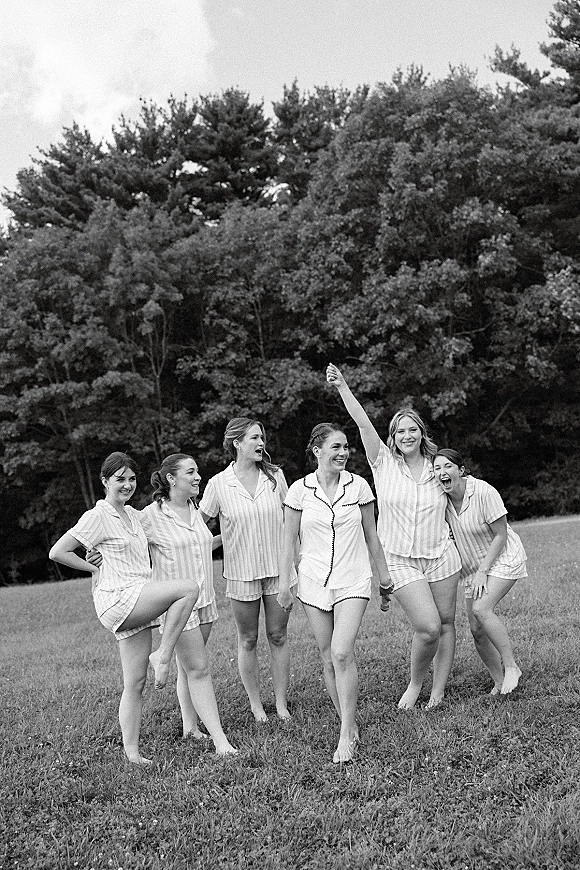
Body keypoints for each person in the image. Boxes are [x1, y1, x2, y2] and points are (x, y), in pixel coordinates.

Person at [48, 452, 199, 765]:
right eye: (120, 479)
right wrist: (94, 569)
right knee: (187, 589)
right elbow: (58, 551)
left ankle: (132, 753)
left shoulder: (134, 515)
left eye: (131, 479)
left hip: (137, 596)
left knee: (135, 682)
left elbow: (166, 531)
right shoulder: (98, 515)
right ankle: (164, 653)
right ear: (105, 481)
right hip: (118, 597)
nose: (127, 484)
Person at [327, 363, 461, 710]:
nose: (407, 435)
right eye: (400, 430)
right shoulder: (383, 462)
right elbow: (362, 423)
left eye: (412, 429)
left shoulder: (438, 465)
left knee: (447, 624)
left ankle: (439, 690)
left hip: (441, 555)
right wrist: (343, 387)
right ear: (393, 436)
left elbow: (465, 494)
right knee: (429, 627)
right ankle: (416, 683)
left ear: (421, 432)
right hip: (400, 559)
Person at [277, 423, 393, 764]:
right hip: (313, 583)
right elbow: (288, 543)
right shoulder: (299, 491)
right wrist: (286, 583)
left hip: (353, 579)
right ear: (317, 451)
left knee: (342, 653)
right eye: (336, 447)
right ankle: (349, 721)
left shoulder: (358, 486)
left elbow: (372, 536)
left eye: (346, 447)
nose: (343, 453)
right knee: (327, 656)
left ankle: (345, 736)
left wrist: (384, 580)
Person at [139, 453, 237, 754]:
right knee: (199, 669)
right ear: (171, 478)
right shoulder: (151, 516)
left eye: (198, 472)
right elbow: (126, 543)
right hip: (178, 606)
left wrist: (230, 536)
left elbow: (201, 544)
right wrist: (98, 556)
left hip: (205, 600)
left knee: (187, 669)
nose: (198, 477)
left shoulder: (194, 509)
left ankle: (190, 727)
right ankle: (221, 742)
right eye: (191, 472)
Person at [199, 418, 294, 722]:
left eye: (263, 437)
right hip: (240, 574)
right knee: (248, 639)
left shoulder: (276, 477)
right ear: (237, 443)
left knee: (278, 636)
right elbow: (197, 528)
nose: (261, 443)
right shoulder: (217, 485)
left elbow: (292, 522)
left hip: (279, 572)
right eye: (255, 438)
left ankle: (280, 703)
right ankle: (256, 705)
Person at [433, 449, 526, 695]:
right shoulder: (439, 500)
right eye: (437, 468)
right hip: (472, 568)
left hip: (502, 556)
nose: (442, 472)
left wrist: (484, 571)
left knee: (481, 608)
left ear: (461, 470)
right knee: (476, 630)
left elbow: (501, 534)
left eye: (448, 466)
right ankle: (499, 681)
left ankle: (511, 666)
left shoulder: (483, 491)